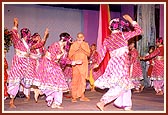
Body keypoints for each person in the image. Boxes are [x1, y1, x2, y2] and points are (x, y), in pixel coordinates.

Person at [93, 14, 142, 111]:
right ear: (120, 27)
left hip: (113, 63)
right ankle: (103, 101)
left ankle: (126, 105)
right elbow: (139, 31)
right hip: (122, 63)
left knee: (125, 83)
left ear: (111, 28)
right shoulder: (123, 35)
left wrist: (98, 63)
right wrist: (131, 21)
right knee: (121, 84)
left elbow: (102, 53)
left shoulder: (107, 39)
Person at [7, 18, 48, 108]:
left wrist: (45, 36)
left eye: (28, 34)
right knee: (16, 80)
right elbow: (14, 34)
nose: (28, 35)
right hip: (18, 62)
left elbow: (39, 44)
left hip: (26, 62)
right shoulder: (18, 41)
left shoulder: (29, 44)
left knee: (28, 79)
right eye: (26, 34)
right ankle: (11, 101)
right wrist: (15, 24)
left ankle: (37, 90)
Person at [36, 33, 82, 109]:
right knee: (52, 83)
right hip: (48, 64)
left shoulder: (63, 49)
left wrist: (75, 62)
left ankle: (56, 103)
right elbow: (54, 58)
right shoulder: (55, 45)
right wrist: (61, 54)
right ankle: (47, 95)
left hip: (54, 65)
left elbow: (64, 60)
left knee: (60, 83)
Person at [68, 32, 90, 102]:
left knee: (83, 80)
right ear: (77, 38)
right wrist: (76, 50)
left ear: (83, 38)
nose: (80, 38)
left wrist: (82, 50)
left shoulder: (86, 44)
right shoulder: (73, 45)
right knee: (75, 80)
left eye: (81, 37)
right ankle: (74, 97)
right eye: (78, 37)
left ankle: (82, 96)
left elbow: (88, 54)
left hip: (84, 65)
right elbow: (70, 55)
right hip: (76, 65)